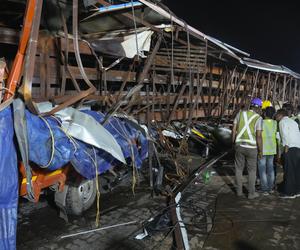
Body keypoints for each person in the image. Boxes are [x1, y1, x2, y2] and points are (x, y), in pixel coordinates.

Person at [232, 97, 263, 199]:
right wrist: (260, 150)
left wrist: (233, 142)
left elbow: (234, 130)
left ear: (251, 105)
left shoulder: (240, 114)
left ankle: (239, 191)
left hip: (239, 145)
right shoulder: (259, 118)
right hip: (252, 148)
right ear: (259, 108)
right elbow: (258, 136)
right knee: (252, 171)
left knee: (238, 169)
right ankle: (251, 193)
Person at [275, 109, 300, 198]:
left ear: (281, 115)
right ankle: (297, 191)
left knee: (289, 172)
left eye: (276, 115)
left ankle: (289, 193)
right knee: (296, 171)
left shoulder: (282, 122)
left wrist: (285, 149)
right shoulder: (293, 122)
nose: (275, 116)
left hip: (289, 148)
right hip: (298, 148)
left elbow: (285, 135)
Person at [258, 107, 277, 195]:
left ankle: (264, 189)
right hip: (272, 149)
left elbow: (258, 135)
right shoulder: (275, 123)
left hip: (262, 148)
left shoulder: (261, 122)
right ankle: (270, 188)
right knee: (270, 169)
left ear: (265, 114)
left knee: (262, 169)